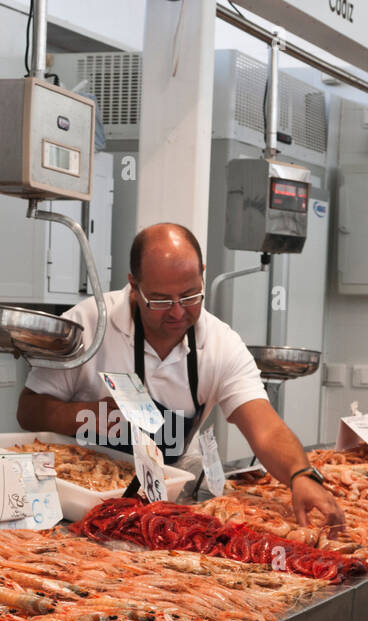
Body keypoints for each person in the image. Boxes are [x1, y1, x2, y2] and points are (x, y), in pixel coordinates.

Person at [18, 222, 344, 530]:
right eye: (159, 299)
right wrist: (89, 416)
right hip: (75, 500)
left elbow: (265, 428)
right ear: (134, 286)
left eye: (190, 296)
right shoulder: (90, 324)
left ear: (203, 276)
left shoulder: (219, 344)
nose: (177, 312)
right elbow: (28, 411)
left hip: (162, 503)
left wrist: (301, 475)